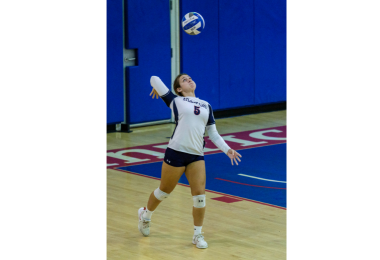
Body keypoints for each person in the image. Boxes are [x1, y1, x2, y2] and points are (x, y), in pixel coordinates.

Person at [138, 74, 242, 249]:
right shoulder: (176, 101)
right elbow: (154, 78)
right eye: (184, 80)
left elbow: (213, 134)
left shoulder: (206, 105)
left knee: (200, 196)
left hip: (196, 155)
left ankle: (197, 234)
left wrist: (227, 149)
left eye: (190, 78)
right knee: (164, 191)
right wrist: (158, 89)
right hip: (176, 152)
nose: (189, 80)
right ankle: (145, 215)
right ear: (179, 89)